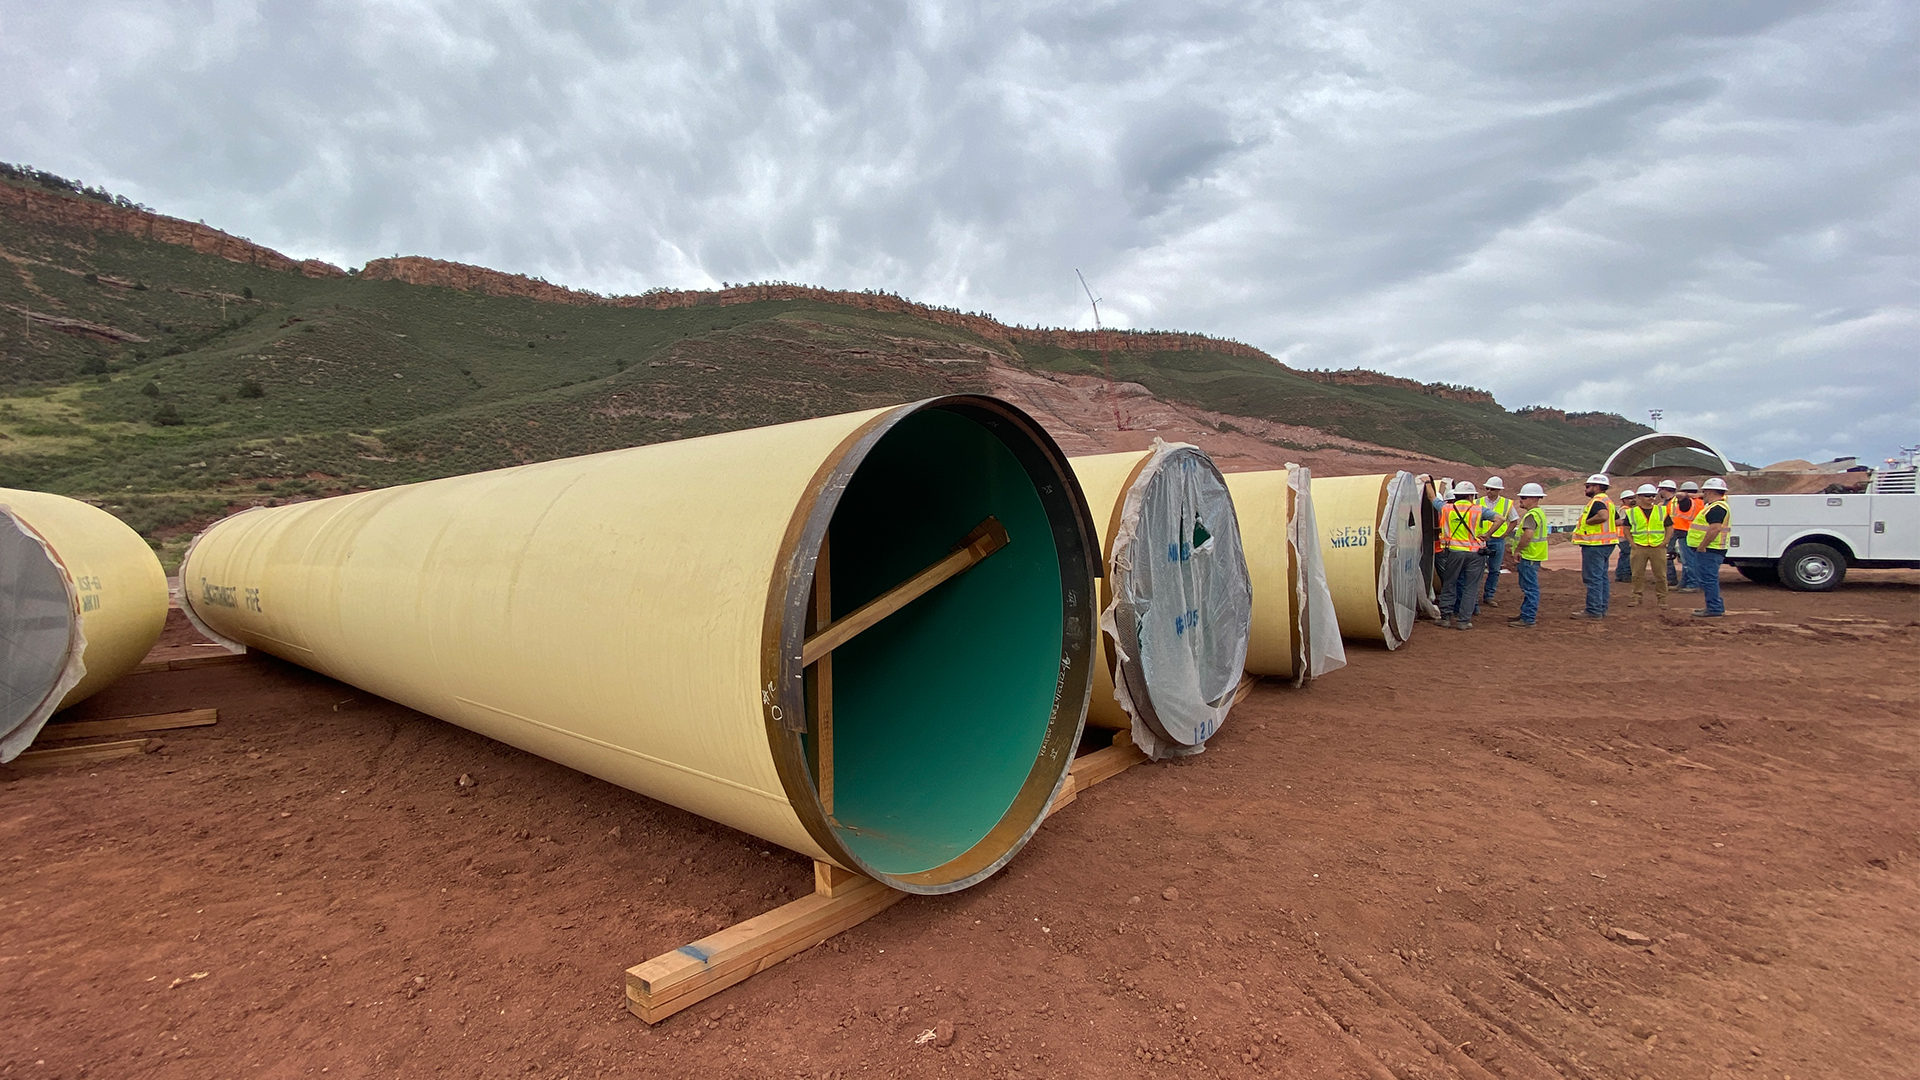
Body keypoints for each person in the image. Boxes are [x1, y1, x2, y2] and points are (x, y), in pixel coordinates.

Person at [1434, 481, 1491, 630]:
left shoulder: (1446, 509)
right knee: (1470, 587)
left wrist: (1427, 482)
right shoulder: (1479, 510)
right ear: (1471, 495)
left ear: (1456, 495)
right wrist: (1487, 535)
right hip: (1475, 554)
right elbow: (1500, 519)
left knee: (1449, 583)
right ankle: (1464, 621)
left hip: (1454, 553)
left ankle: (1445, 618)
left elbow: (1432, 498)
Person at [1570, 473, 1618, 619]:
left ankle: (1594, 610)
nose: (1586, 489)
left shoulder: (1597, 501)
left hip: (1595, 544)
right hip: (1606, 543)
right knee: (1601, 577)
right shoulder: (1608, 501)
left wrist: (1590, 522)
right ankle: (1601, 608)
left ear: (1597, 487)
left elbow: (1603, 516)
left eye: (1588, 486)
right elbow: (1617, 520)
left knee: (1593, 578)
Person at [1687, 477, 1732, 618]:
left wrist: (1702, 546)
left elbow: (1715, 529)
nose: (1703, 494)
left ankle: (1714, 608)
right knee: (1708, 578)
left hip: (1710, 549)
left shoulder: (1716, 508)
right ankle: (1714, 606)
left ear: (1710, 491)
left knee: (1708, 579)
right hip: (1712, 549)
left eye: (1705, 491)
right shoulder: (1718, 506)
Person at [1507, 482, 1549, 627]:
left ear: (1533, 498)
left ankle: (1528, 618)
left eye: (1524, 497)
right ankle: (1525, 614)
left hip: (1529, 555)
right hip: (1533, 555)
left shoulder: (1532, 515)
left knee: (1530, 588)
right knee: (1529, 587)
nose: (1521, 500)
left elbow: (1528, 535)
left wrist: (1518, 550)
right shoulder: (1538, 513)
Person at [1625, 484, 1671, 608]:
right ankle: (1636, 597)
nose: (1651, 498)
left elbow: (1669, 527)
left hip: (1658, 547)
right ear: (1640, 497)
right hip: (1639, 546)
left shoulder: (1661, 510)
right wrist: (1632, 543)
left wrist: (1665, 541)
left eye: (1653, 495)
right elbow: (1626, 528)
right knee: (1637, 574)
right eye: (1647, 496)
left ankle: (1662, 599)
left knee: (1661, 575)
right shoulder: (1632, 512)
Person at [1478, 477, 1519, 609]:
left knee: (1494, 570)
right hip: (1480, 539)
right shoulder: (1477, 502)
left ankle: (1489, 595)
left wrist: (1505, 534)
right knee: (1476, 569)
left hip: (1497, 539)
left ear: (1499, 490)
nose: (1489, 491)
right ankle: (1474, 596)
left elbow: (1514, 520)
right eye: (1487, 488)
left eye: (1492, 489)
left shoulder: (1507, 504)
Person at [1668, 481, 1703, 591]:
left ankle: (1693, 584)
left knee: (1689, 561)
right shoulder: (1699, 501)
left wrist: (1685, 495)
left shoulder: (1687, 501)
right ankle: (1684, 582)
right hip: (1692, 533)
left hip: (1685, 533)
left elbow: (1680, 496)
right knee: (1687, 561)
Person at [1656, 480, 1680, 585]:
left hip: (1673, 531)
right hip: (1670, 530)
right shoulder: (1667, 502)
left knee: (1667, 555)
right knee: (1666, 555)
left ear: (1665, 489)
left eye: (1660, 489)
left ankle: (1670, 579)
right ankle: (1668, 578)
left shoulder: (1675, 501)